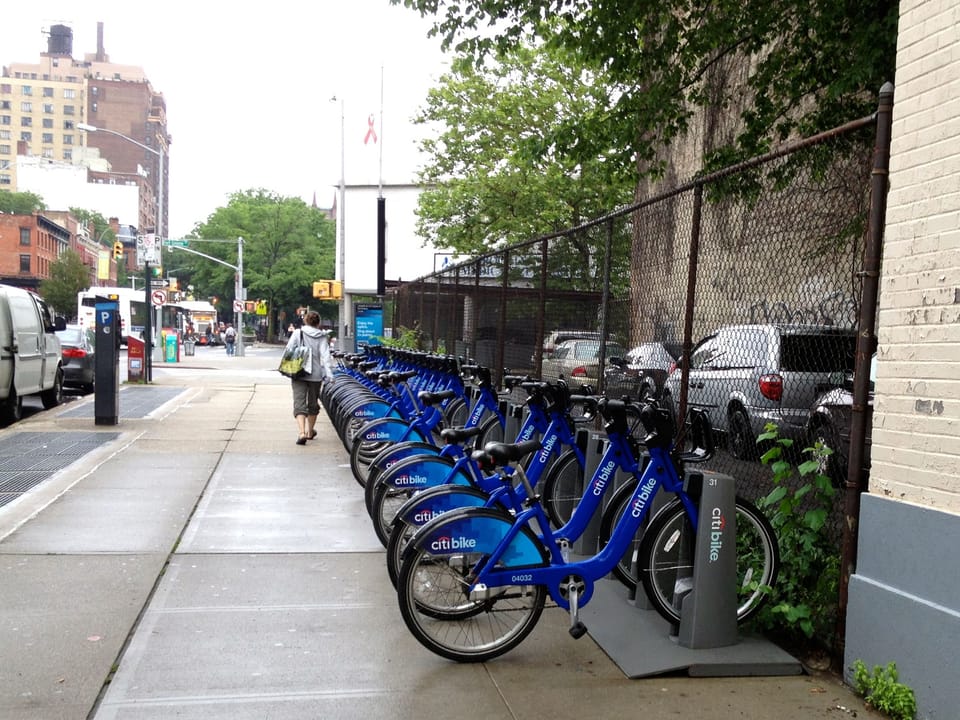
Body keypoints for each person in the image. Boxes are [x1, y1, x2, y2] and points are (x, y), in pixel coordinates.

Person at [285, 311, 333, 445]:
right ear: (318, 322)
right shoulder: (322, 337)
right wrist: (329, 374)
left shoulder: (298, 333)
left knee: (299, 402)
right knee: (312, 404)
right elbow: (326, 356)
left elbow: (289, 349)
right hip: (316, 375)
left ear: (306, 321)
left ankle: (301, 433)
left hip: (299, 372)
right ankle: (310, 431)